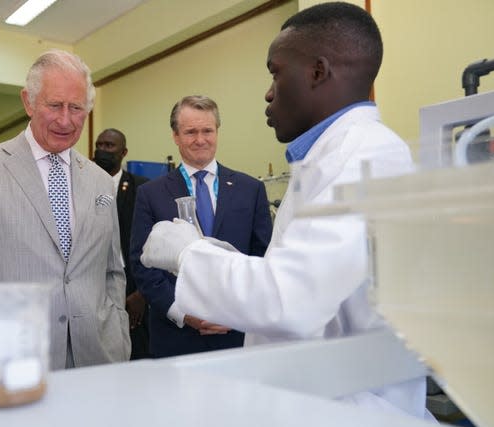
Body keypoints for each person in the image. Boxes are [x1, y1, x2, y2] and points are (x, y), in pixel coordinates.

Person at [140, 2, 433, 420]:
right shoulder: (327, 158)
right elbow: (299, 278)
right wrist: (218, 256)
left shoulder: (366, 155)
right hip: (313, 393)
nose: (268, 90)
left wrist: (190, 253)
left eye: (275, 72)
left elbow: (291, 299)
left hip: (354, 406)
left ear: (318, 71)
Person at [0, 50, 130, 381]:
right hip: (10, 360)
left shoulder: (99, 179)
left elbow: (113, 270)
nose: (66, 120)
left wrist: (119, 332)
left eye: (77, 108)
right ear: (28, 102)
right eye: (55, 106)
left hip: (98, 356)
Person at [130, 95, 272, 358]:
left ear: (217, 131)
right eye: (190, 132)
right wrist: (182, 312)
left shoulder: (250, 190)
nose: (200, 139)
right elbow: (142, 265)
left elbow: (262, 258)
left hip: (237, 334)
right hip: (175, 338)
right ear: (175, 136)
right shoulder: (151, 194)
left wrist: (239, 311)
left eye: (207, 130)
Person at [94, 128, 151, 359]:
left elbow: (151, 245)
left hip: (133, 294)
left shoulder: (143, 188)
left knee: (135, 357)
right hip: (94, 289)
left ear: (124, 152)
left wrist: (142, 294)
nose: (103, 150)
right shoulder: (82, 185)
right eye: (100, 145)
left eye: (110, 146)